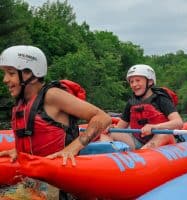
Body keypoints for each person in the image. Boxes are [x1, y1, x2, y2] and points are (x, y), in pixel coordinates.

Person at [0, 45, 111, 199]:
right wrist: (19, 150)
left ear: (29, 73)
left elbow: (103, 117)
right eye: (5, 73)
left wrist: (73, 147)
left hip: (59, 184)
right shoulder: (22, 103)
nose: (5, 79)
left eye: (11, 73)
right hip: (35, 179)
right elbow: (37, 138)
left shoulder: (52, 95)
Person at [101, 64, 183, 150]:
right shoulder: (131, 103)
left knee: (164, 133)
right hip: (139, 141)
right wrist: (111, 128)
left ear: (150, 82)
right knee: (109, 132)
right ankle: (107, 155)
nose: (134, 84)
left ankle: (141, 156)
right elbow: (120, 128)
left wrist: (154, 127)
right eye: (131, 82)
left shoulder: (161, 99)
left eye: (138, 80)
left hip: (163, 141)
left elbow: (178, 123)